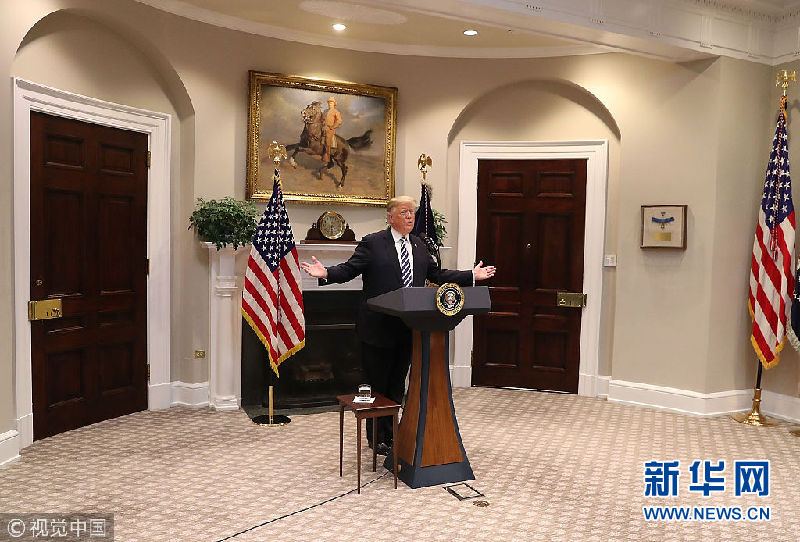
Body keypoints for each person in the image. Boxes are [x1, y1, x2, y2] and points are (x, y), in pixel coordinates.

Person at [300, 196, 496, 456]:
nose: (410, 216)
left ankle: (392, 435)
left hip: (407, 328)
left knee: (396, 386)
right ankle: (376, 438)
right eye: (404, 212)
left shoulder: (419, 245)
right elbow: (350, 269)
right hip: (377, 327)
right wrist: (326, 273)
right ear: (390, 217)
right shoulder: (373, 243)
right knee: (377, 386)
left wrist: (471, 275)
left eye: (412, 212)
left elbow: (437, 275)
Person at [321, 96, 342, 165]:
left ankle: (327, 159)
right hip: (323, 127)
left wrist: (333, 127)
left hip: (330, 129)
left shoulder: (336, 112)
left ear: (334, 104)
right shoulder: (325, 111)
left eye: (331, 103)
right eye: (329, 103)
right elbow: (322, 118)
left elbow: (339, 121)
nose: (330, 104)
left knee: (327, 142)